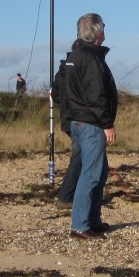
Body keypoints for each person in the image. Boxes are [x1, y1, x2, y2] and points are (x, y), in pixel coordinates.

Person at [64, 13, 118, 239]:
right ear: (96, 32)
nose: (105, 29)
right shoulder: (89, 58)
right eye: (103, 26)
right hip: (90, 123)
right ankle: (80, 225)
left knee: (100, 171)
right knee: (92, 174)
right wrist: (107, 124)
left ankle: (92, 220)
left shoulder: (76, 55)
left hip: (79, 120)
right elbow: (96, 94)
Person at [54, 40, 83, 210]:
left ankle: (76, 194)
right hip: (76, 119)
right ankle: (65, 197)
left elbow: (55, 95)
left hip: (68, 118)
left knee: (84, 156)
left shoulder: (61, 72)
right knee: (79, 157)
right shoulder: (74, 70)